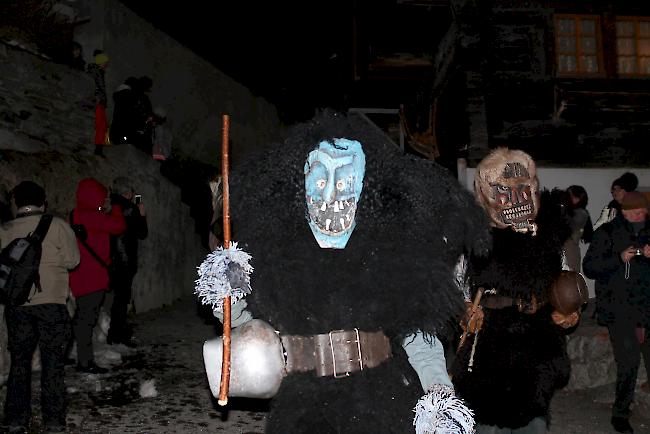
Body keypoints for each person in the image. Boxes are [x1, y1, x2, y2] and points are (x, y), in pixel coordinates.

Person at [197, 112, 492, 433]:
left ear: (365, 189)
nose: (330, 197)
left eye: (345, 181)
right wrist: (228, 285)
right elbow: (247, 327)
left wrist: (439, 398)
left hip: (382, 399)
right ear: (303, 188)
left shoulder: (396, 258)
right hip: (303, 404)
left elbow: (420, 338)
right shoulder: (277, 257)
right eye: (321, 181)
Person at [451, 148, 580, 434]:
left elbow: (563, 277)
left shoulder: (547, 232)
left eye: (521, 189)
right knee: (486, 419)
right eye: (504, 190)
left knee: (532, 418)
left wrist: (567, 311)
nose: (515, 198)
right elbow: (456, 281)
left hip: (535, 336)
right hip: (489, 338)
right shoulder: (474, 234)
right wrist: (462, 310)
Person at [0, 181, 80, 433]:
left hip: (18, 306)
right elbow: (72, 260)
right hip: (52, 305)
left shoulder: (5, 228)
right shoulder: (57, 226)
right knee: (53, 363)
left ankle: (15, 420)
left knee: (19, 363)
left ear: (16, 204)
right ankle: (54, 421)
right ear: (43, 202)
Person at [583, 190, 650, 434]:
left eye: (642, 212)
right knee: (628, 362)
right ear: (623, 211)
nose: (638, 216)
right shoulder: (607, 233)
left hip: (647, 307)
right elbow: (590, 267)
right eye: (633, 212)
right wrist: (619, 258)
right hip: (619, 309)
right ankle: (620, 414)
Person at [69, 178, 125, 374]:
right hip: (93, 276)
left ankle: (68, 354)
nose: (104, 200)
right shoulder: (93, 216)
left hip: (78, 274)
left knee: (79, 317)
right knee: (87, 320)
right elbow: (118, 226)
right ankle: (84, 361)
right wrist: (117, 207)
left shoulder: (77, 213)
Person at [106, 177, 147, 347]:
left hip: (108, 258)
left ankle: (113, 332)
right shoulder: (131, 208)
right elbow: (142, 233)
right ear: (128, 193)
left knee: (114, 298)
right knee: (122, 299)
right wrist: (142, 215)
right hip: (125, 260)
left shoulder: (107, 207)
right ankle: (118, 334)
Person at [564, 185, 593, 272]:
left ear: (577, 199)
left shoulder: (581, 214)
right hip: (566, 255)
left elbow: (568, 225)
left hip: (570, 256)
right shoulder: (569, 212)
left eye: (568, 196)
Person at [87, 50, 110, 156]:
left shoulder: (99, 72)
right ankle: (98, 148)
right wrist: (98, 99)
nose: (106, 64)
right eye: (104, 62)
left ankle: (100, 146)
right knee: (101, 125)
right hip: (98, 102)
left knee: (103, 125)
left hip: (100, 102)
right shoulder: (95, 72)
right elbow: (93, 87)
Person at [109, 76, 139, 145]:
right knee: (122, 138)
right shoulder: (127, 93)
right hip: (122, 122)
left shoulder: (120, 91)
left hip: (117, 121)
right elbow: (128, 108)